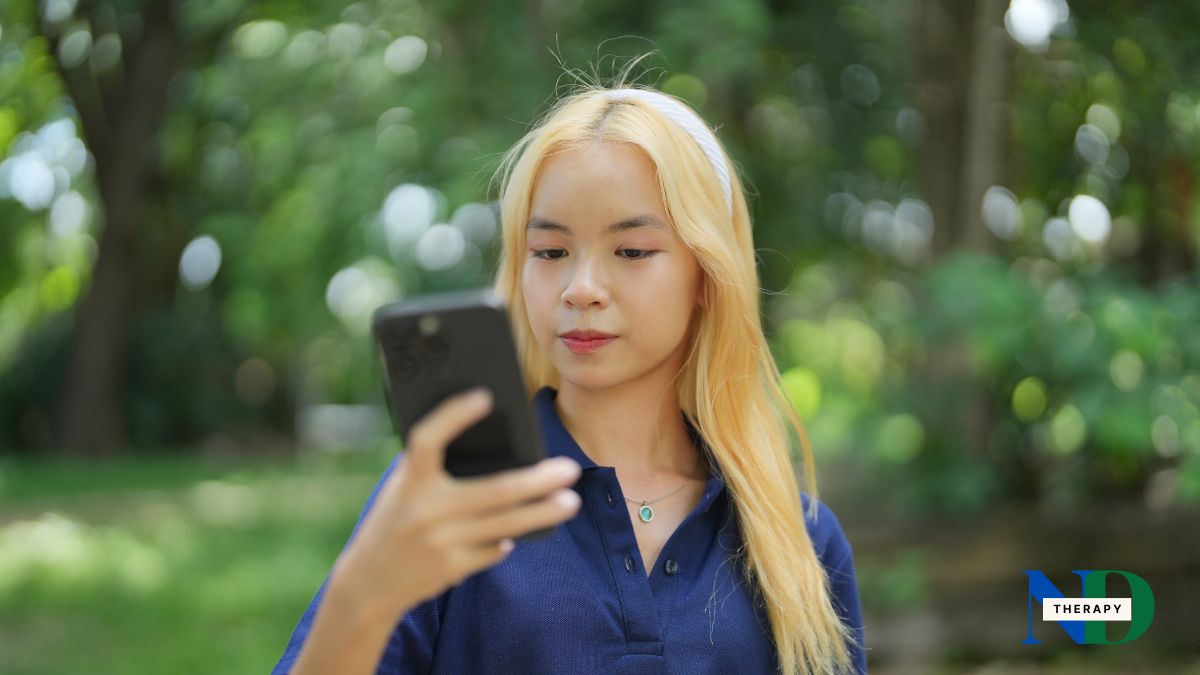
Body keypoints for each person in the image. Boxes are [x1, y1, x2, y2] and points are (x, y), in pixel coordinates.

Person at [273, 62, 867, 675]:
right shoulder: (449, 498)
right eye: (550, 252)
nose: (581, 288)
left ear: (707, 277)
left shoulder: (799, 541)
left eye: (632, 251)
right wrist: (362, 592)